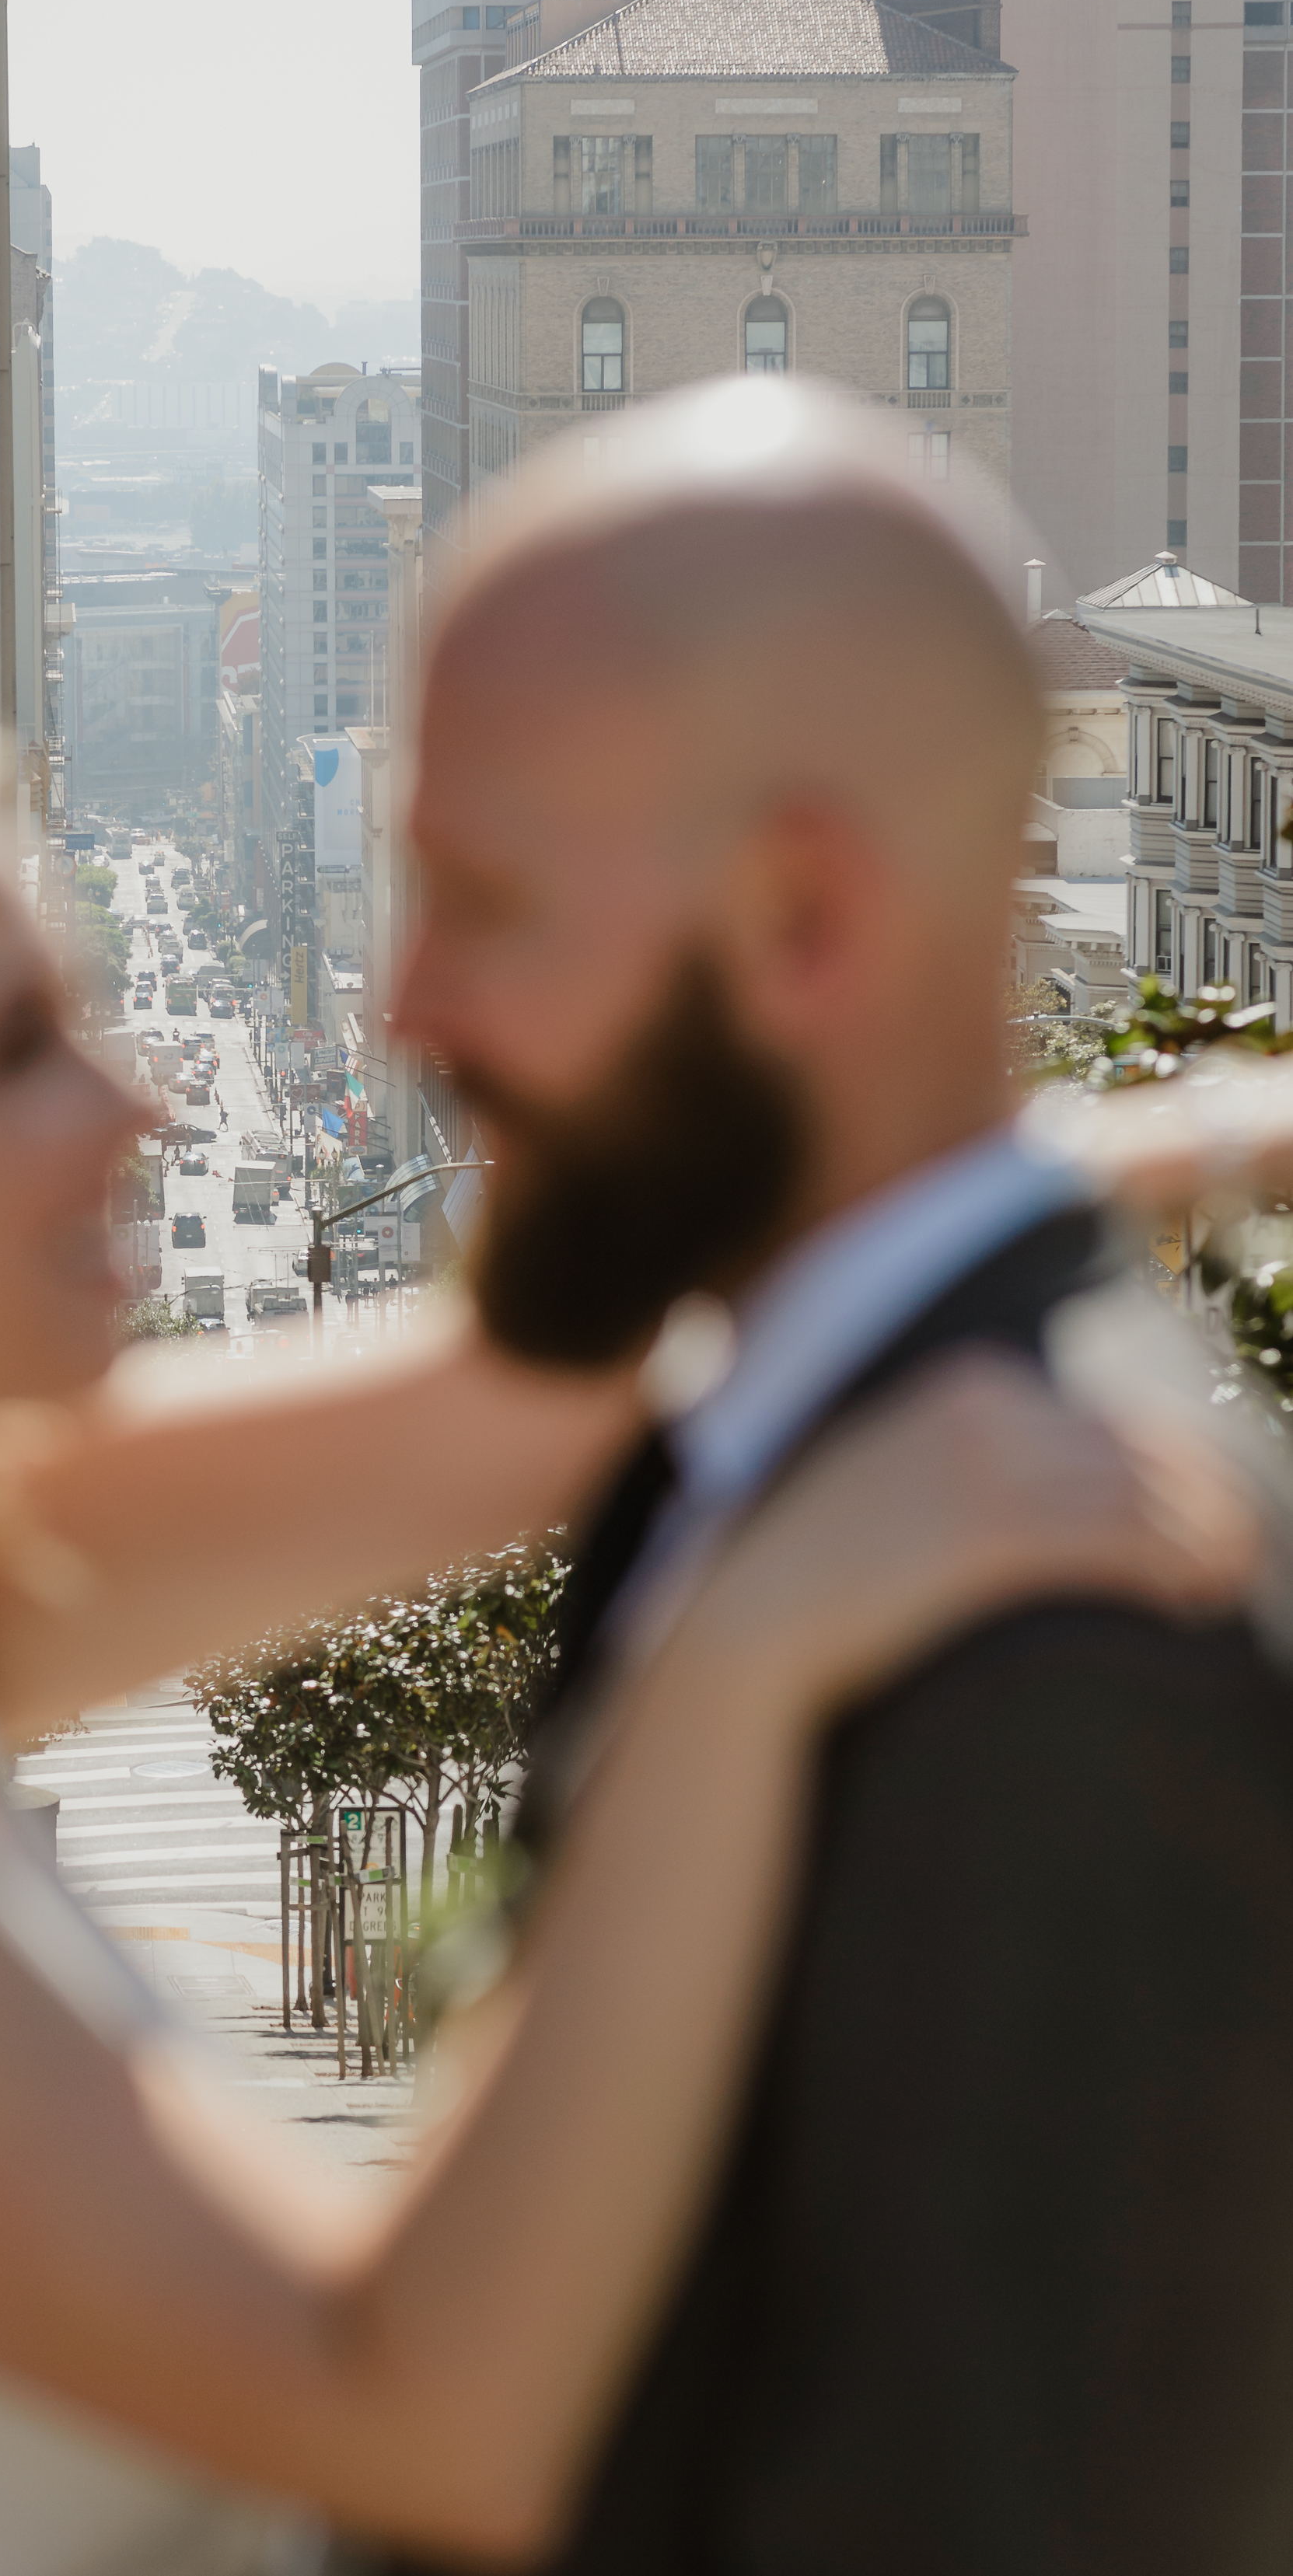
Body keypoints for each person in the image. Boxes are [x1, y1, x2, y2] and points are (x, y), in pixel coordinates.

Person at [0, 698, 1244, 2576]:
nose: (135, 1103)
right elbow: (428, 2409)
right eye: (14, 1050)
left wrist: (1129, 1156)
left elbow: (523, 1401)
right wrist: (740, 1664)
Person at [359, 375, 1293, 2576]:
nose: (406, 1001)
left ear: (797, 917)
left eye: (479, 895)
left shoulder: (1064, 1647)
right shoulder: (802, 1457)